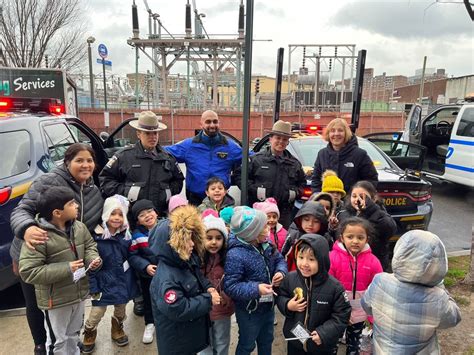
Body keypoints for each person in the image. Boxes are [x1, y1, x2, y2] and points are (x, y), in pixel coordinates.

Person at [9, 143, 103, 355]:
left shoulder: (92, 189)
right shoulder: (49, 181)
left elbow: (88, 229)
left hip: (67, 259)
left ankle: (66, 342)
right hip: (35, 250)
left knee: (65, 305)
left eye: (89, 160)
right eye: (79, 160)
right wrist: (27, 228)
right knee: (36, 303)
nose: (85, 165)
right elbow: (21, 210)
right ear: (67, 162)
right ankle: (42, 345)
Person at [361, 230, 462, 354]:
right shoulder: (438, 297)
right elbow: (453, 319)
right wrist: (440, 286)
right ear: (439, 264)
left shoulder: (380, 281)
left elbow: (367, 306)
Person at [149, 204, 220, 355]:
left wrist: (208, 287)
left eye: (193, 238)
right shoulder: (166, 278)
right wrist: (208, 299)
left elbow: (198, 277)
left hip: (190, 337)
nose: (193, 244)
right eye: (188, 240)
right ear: (173, 244)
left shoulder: (184, 261)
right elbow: (177, 308)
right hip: (178, 344)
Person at [222, 206, 288, 355]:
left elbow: (280, 260)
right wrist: (256, 288)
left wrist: (280, 272)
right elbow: (231, 286)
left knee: (267, 340)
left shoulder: (267, 244)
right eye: (264, 227)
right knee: (247, 344)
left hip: (268, 306)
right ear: (252, 233)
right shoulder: (235, 254)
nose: (268, 228)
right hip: (249, 311)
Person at [276, 234, 351, 355]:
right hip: (295, 342)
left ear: (322, 260)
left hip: (322, 345)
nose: (304, 263)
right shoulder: (290, 278)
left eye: (311, 259)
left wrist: (324, 333)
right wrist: (287, 305)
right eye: (301, 257)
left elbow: (342, 315)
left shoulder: (335, 287)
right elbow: (280, 296)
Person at [99, 110, 184, 215]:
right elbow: (106, 179)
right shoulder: (124, 156)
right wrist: (126, 193)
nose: (152, 137)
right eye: (148, 133)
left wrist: (166, 193)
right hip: (132, 216)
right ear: (138, 134)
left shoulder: (168, 158)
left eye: (155, 133)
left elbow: (178, 181)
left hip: (159, 215)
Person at [82, 195, 137, 353]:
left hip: (121, 281)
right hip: (102, 282)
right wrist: (93, 287)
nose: (117, 218)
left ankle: (117, 327)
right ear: (106, 214)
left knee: (121, 309)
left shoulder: (126, 236)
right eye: (113, 214)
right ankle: (90, 331)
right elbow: (91, 265)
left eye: (121, 214)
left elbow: (130, 257)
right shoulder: (96, 238)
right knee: (97, 312)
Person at [329, 217, 383, 355]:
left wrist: (372, 317)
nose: (355, 241)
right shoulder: (332, 258)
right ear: (341, 237)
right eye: (350, 236)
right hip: (337, 313)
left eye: (360, 237)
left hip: (360, 313)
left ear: (367, 239)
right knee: (331, 344)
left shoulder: (373, 262)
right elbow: (328, 287)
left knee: (354, 345)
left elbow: (378, 290)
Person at [165, 110, 242, 206]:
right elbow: (164, 152)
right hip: (196, 199)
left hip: (221, 200)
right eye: (208, 122)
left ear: (219, 123)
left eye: (215, 121)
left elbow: (251, 156)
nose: (212, 125)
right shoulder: (189, 145)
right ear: (201, 124)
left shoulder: (231, 147)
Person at [248, 120, 306, 229]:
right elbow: (241, 178)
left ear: (288, 142)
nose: (281, 142)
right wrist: (255, 190)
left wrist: (294, 193)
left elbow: (302, 184)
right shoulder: (256, 160)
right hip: (260, 212)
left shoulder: (294, 164)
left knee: (282, 241)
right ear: (270, 139)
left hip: (284, 213)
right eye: (278, 138)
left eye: (284, 139)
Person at [337, 181, 397, 271]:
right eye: (354, 196)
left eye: (362, 197)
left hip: (373, 263)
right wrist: (332, 227)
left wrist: (370, 209)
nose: (357, 200)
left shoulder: (379, 213)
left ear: (373, 199)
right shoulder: (344, 213)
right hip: (348, 265)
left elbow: (390, 229)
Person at [311, 118, 378, 193]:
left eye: (340, 130)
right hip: (328, 203)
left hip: (352, 203)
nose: (336, 134)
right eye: (332, 131)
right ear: (328, 134)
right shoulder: (322, 154)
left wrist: (356, 197)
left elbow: (371, 180)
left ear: (346, 133)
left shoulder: (360, 155)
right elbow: (316, 180)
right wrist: (320, 197)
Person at [199, 214, 234, 355]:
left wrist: (227, 295)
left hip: (222, 309)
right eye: (209, 238)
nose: (214, 242)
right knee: (203, 341)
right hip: (202, 309)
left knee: (221, 340)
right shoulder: (198, 259)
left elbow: (233, 281)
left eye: (218, 238)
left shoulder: (229, 258)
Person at [128, 199, 159, 344]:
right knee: (148, 298)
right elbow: (133, 256)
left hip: (167, 273)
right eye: (141, 215)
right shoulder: (136, 235)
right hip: (148, 275)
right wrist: (145, 266)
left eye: (149, 211)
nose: (147, 215)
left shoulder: (167, 227)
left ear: (156, 212)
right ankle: (150, 323)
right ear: (138, 221)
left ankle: (168, 321)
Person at [281, 201, 329, 271]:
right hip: (294, 276)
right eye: (306, 220)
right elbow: (284, 257)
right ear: (300, 220)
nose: (310, 224)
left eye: (316, 221)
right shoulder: (293, 237)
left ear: (322, 223)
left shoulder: (325, 239)